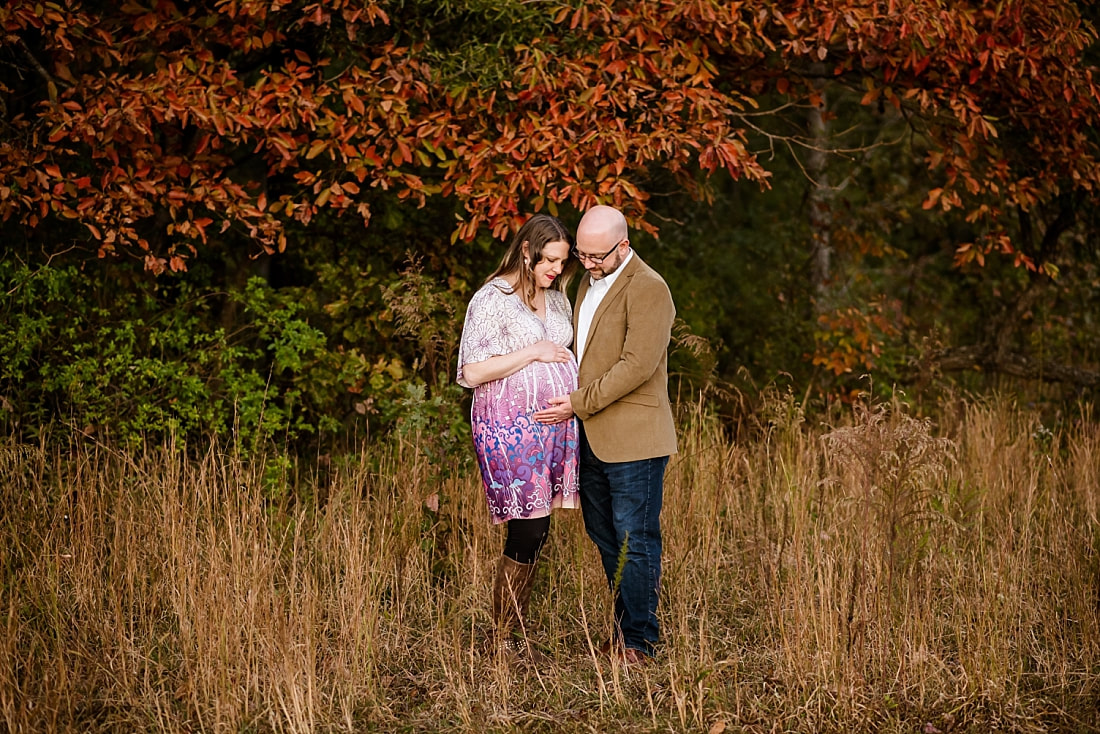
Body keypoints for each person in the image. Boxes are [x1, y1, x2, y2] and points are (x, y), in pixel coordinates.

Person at [534, 204, 676, 665]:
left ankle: (639, 642)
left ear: (624, 245)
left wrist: (576, 403)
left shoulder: (649, 288)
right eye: (583, 254)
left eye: (598, 256)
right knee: (603, 534)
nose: (588, 264)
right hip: (590, 438)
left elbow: (636, 366)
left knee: (635, 539)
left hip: (635, 438)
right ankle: (624, 629)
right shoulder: (583, 283)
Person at [456, 213, 581, 658]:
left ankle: (513, 628)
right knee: (530, 526)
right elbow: (472, 372)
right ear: (526, 252)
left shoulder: (559, 299)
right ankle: (503, 636)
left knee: (538, 527)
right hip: (507, 427)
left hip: (554, 430)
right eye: (548, 260)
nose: (556, 270)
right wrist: (534, 351)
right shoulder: (493, 299)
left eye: (563, 262)